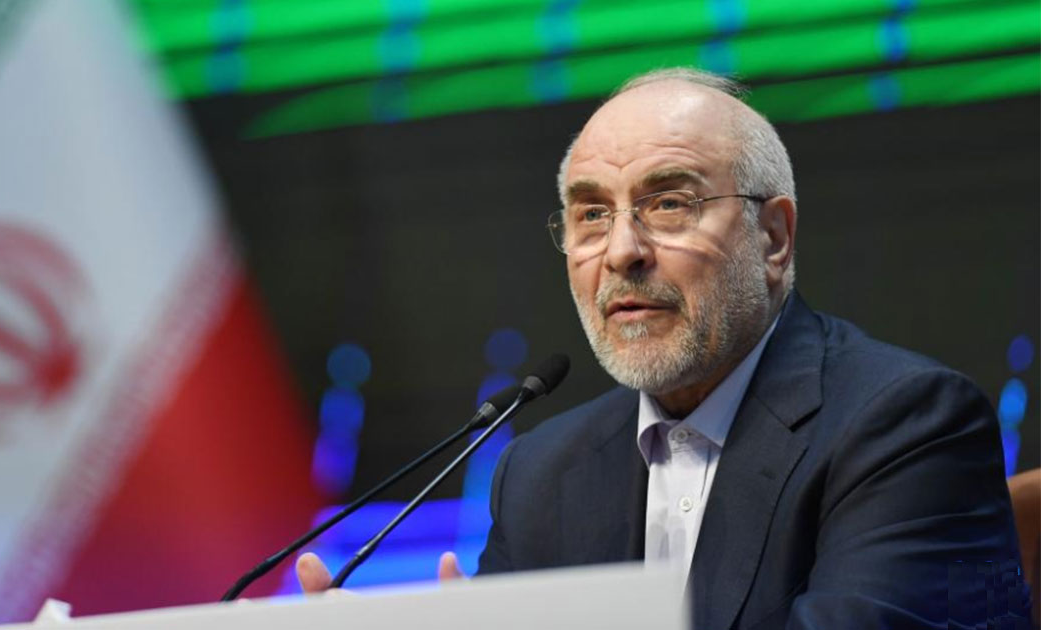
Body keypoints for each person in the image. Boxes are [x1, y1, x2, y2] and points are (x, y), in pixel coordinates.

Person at [298, 68, 1029, 627]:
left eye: (670, 203)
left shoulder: (907, 427)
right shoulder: (541, 473)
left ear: (773, 238)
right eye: (591, 215)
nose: (621, 251)